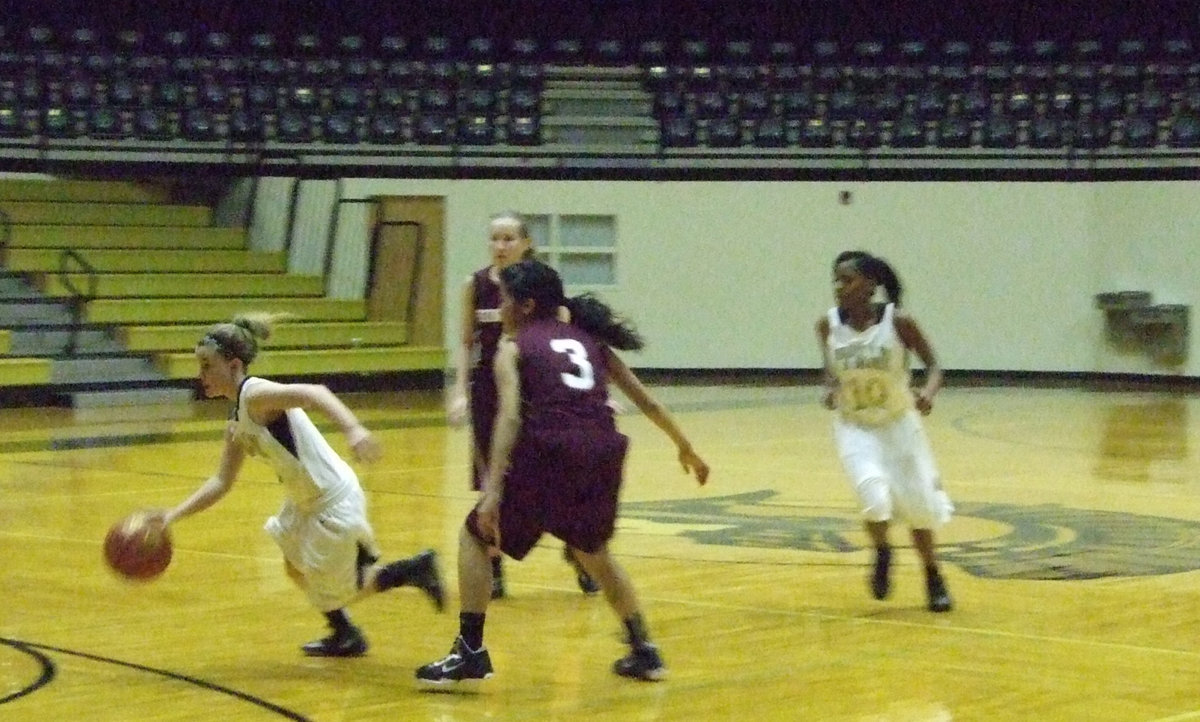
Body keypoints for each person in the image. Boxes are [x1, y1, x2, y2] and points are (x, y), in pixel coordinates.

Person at [417, 260, 709, 689]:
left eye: (505, 302)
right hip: (604, 452)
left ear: (526, 305)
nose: (499, 310)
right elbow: (645, 401)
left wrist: (493, 489)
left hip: (552, 451)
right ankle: (643, 649)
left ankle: (470, 652)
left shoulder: (512, 348)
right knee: (593, 551)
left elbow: (509, 419)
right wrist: (685, 446)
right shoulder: (590, 340)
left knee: (475, 535)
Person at [148, 313, 446, 657]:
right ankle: (344, 631)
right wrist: (172, 516)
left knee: (344, 590)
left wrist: (353, 428)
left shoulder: (255, 393)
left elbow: (314, 392)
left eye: (206, 366)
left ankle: (411, 571)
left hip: (331, 499)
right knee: (294, 566)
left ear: (232, 365)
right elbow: (220, 482)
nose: (200, 376)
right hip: (305, 501)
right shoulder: (237, 419)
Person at [446, 211, 599, 599]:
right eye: (494, 239)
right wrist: (460, 390)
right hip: (488, 392)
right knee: (491, 478)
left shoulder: (542, 285)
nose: (500, 246)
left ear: (526, 243)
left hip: (534, 391)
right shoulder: (476, 284)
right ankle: (493, 563)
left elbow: (565, 333)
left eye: (508, 239)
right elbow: (466, 342)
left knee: (554, 476)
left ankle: (578, 551)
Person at [816, 251, 953, 613]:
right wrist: (830, 387)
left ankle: (932, 575)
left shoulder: (899, 322)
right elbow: (831, 369)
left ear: (871, 285)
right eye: (837, 280)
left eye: (848, 279)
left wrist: (928, 392)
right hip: (855, 427)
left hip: (898, 426)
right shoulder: (828, 325)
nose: (839, 287)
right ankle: (882, 552)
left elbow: (936, 365)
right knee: (874, 500)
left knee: (919, 509)